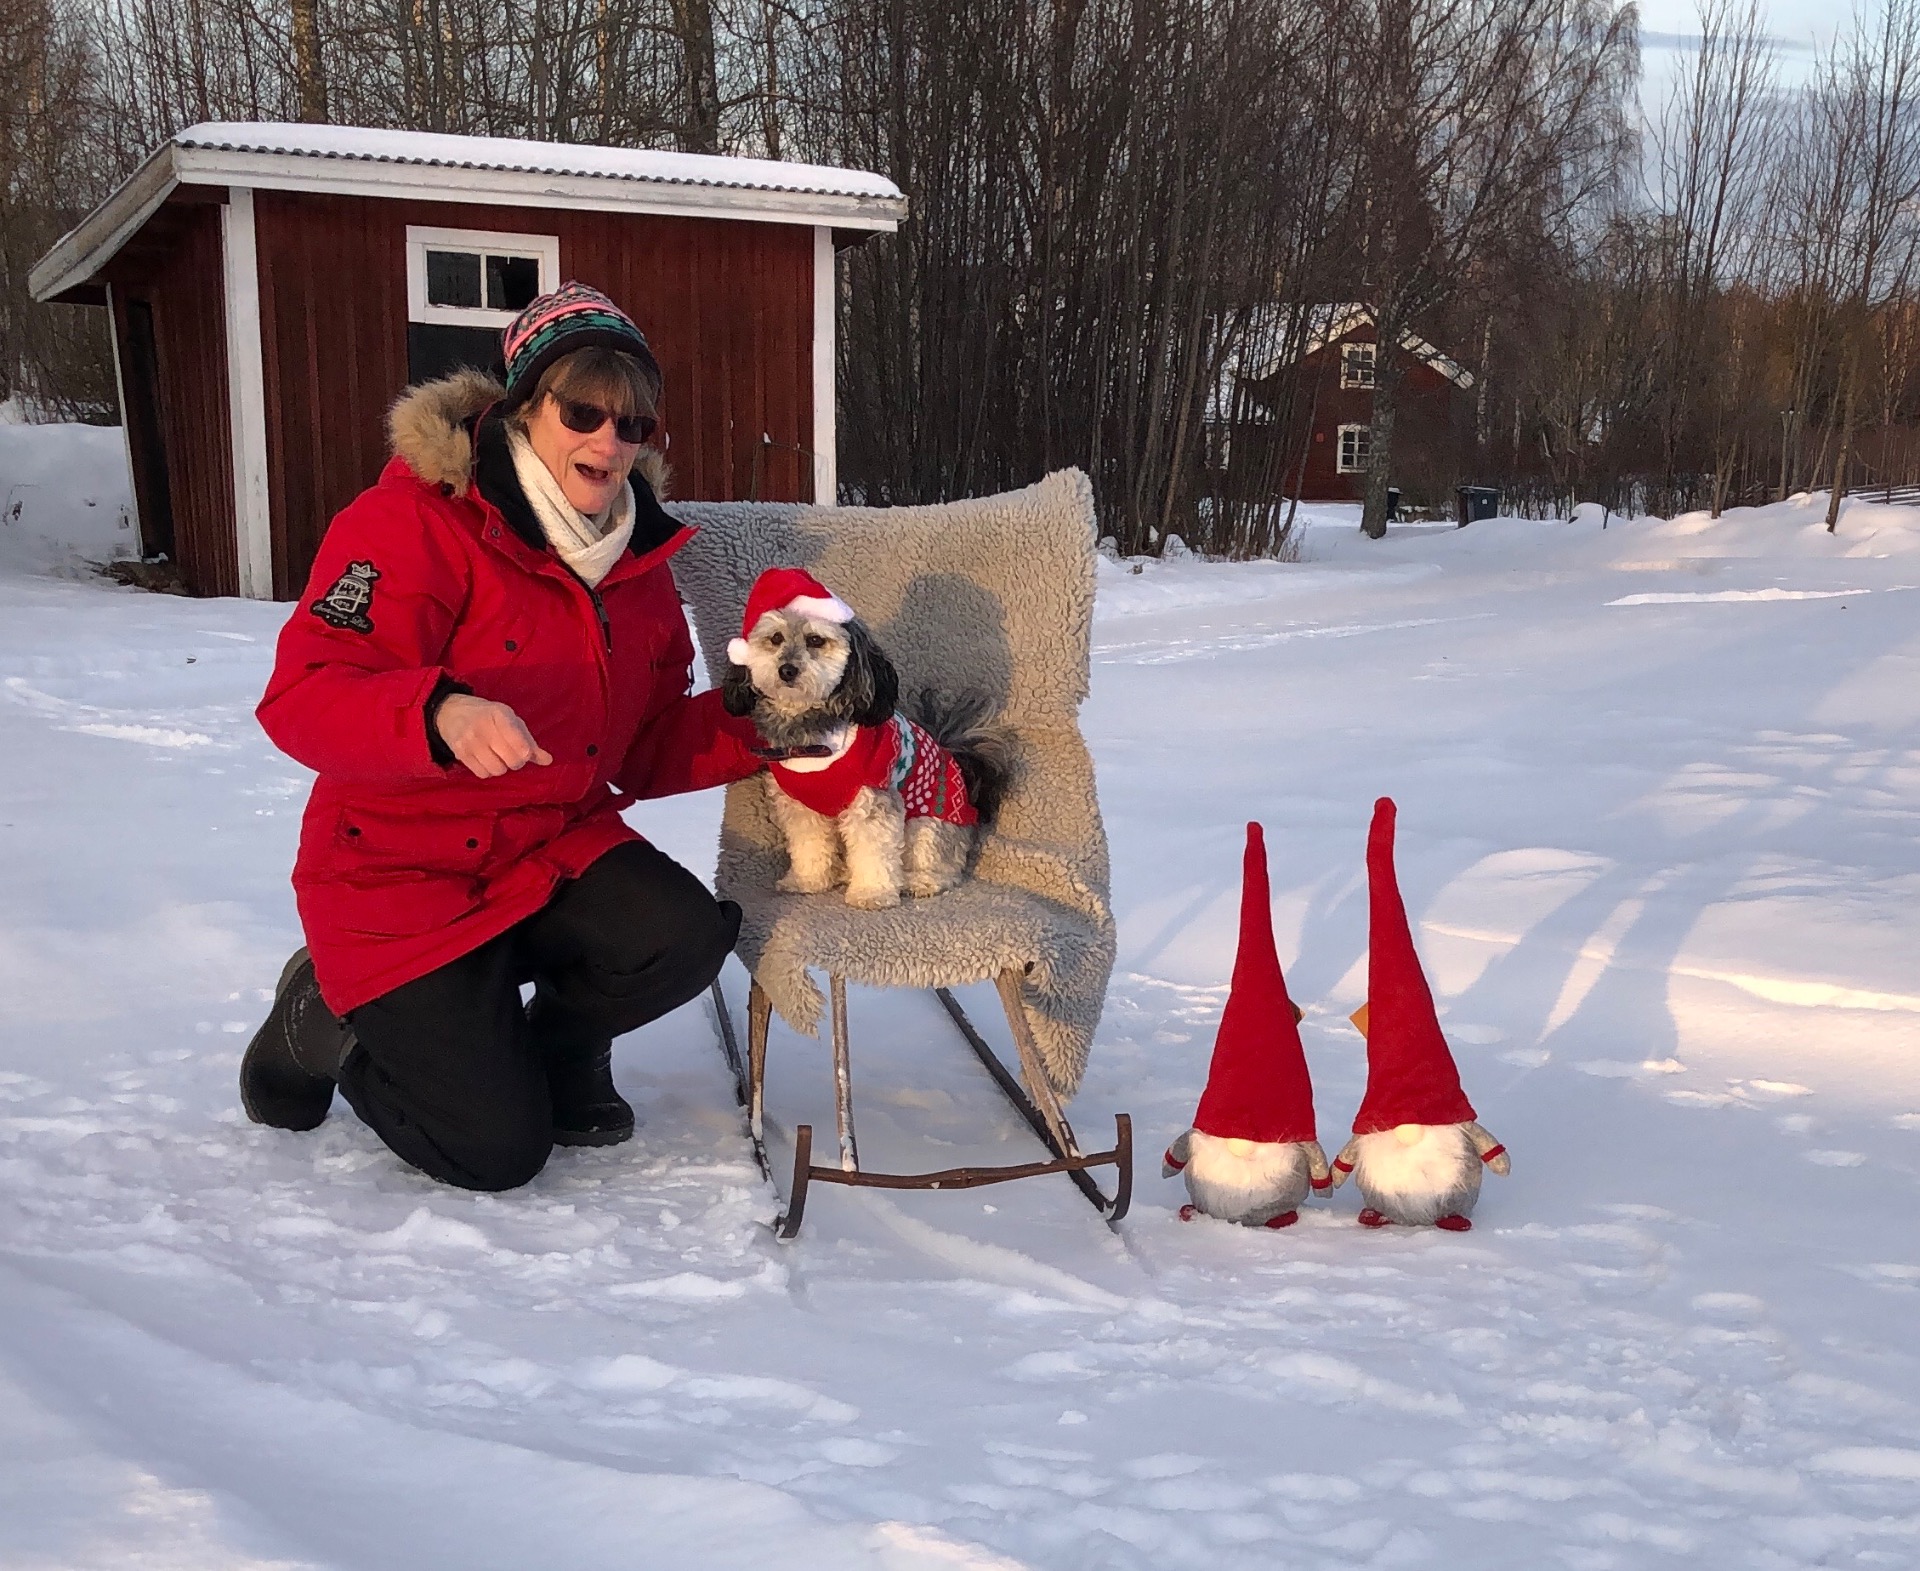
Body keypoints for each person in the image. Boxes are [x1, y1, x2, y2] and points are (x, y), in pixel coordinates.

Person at [240, 282, 762, 1192]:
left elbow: (640, 748)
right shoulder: (412, 522)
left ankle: (558, 1051)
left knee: (681, 935)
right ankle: (327, 1018)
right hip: (400, 878)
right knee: (494, 1151)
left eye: (632, 422)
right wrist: (437, 714)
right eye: (583, 411)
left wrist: (763, 724)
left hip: (545, 851)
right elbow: (302, 696)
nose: (609, 440)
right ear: (524, 408)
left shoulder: (636, 557)